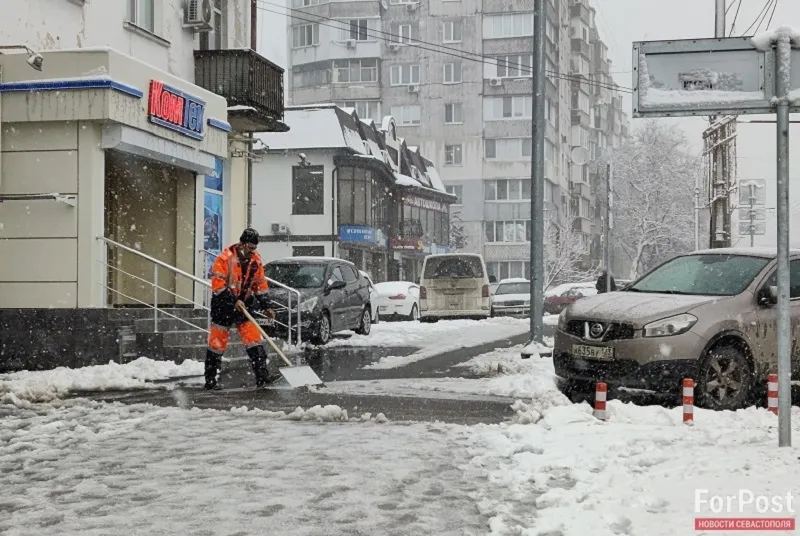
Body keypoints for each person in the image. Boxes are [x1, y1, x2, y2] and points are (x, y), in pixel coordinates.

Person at [205, 228, 278, 390]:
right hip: (223, 306)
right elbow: (218, 286)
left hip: (245, 304)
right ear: (242, 244)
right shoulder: (224, 259)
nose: (253, 251)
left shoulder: (255, 261)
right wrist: (233, 301)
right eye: (250, 247)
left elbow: (260, 285)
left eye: (254, 248)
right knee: (216, 344)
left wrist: (267, 306)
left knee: (254, 340)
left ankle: (262, 376)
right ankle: (211, 380)